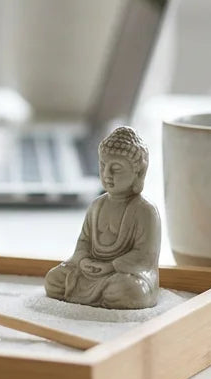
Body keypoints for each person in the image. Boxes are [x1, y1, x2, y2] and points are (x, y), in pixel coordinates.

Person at [45, 126, 161, 309]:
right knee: (54, 280)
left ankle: (108, 295)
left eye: (116, 168)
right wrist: (83, 261)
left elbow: (144, 257)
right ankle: (99, 295)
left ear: (138, 172)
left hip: (122, 275)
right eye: (102, 165)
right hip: (89, 272)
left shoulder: (145, 211)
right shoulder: (96, 206)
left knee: (129, 291)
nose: (107, 174)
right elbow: (84, 242)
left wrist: (111, 266)